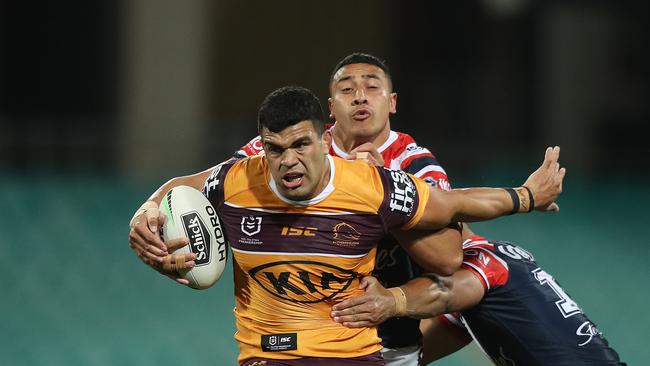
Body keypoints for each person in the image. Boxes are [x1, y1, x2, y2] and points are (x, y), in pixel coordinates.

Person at [128, 85, 565, 365]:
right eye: (275, 149)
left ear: (325, 139)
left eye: (301, 144)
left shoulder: (372, 185)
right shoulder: (237, 179)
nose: (289, 160)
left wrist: (525, 197)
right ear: (262, 149)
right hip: (267, 356)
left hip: (354, 356)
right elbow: (179, 187)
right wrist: (145, 213)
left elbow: (452, 204)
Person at [330, 235, 626, 365]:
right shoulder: (497, 256)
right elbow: (420, 352)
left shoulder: (478, 265)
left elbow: (441, 294)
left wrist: (392, 299)